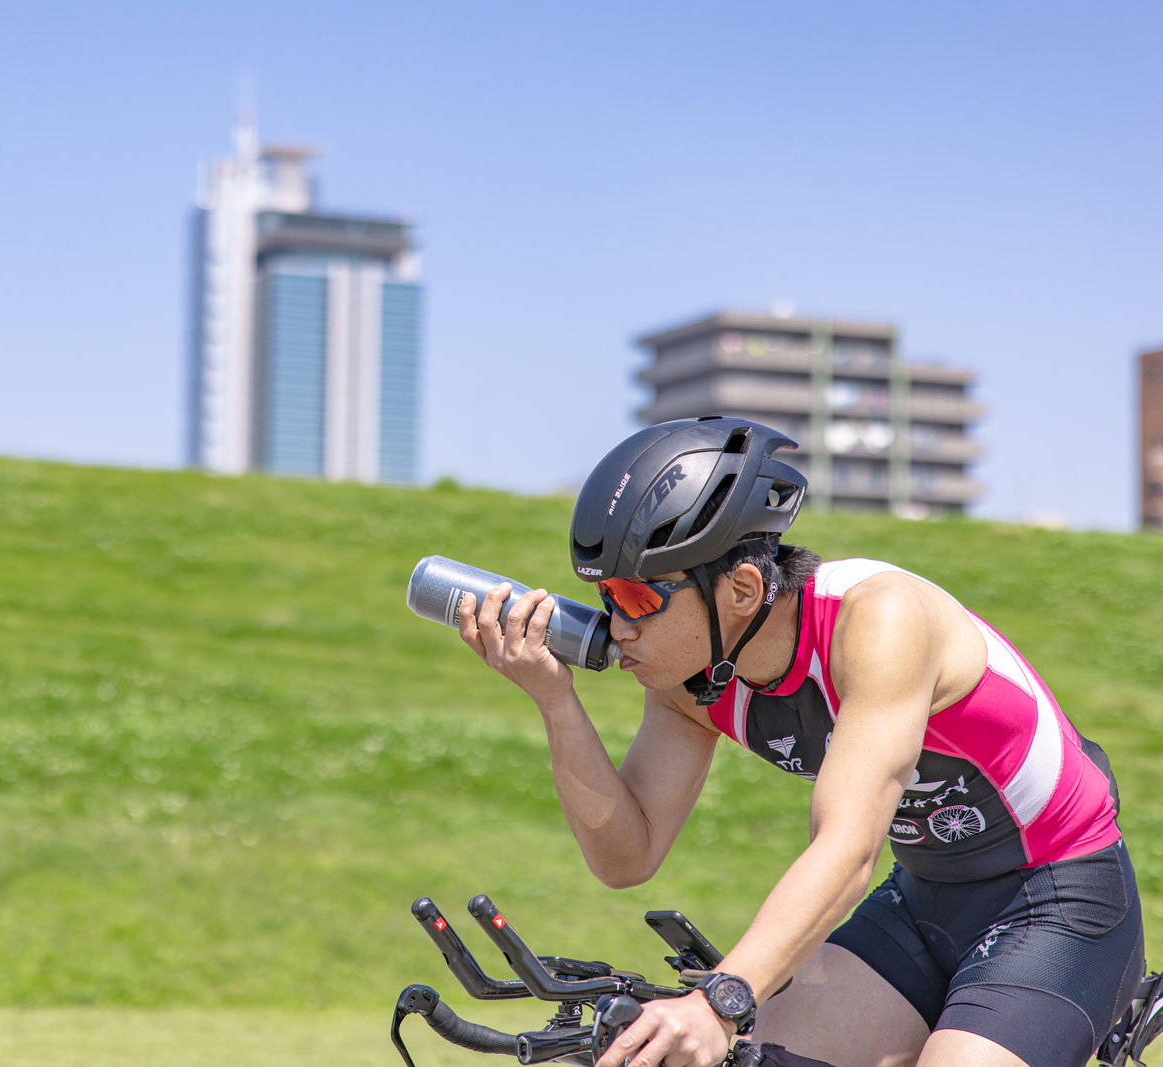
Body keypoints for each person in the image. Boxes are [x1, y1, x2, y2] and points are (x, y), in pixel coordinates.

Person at [455, 415, 1143, 1067]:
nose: (617, 624)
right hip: (921, 901)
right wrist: (554, 698)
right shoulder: (691, 678)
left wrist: (723, 1000)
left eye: (638, 599)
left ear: (743, 587)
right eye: (606, 597)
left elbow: (848, 850)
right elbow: (626, 854)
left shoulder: (879, 620)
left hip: (1057, 902)